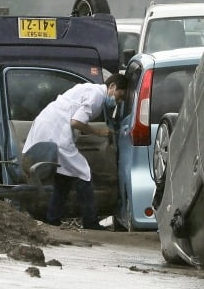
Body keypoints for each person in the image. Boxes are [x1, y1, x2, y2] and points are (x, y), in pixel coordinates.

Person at [22, 73, 128, 230]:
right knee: (83, 172)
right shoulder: (97, 95)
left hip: (49, 127)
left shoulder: (91, 89)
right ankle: (90, 222)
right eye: (120, 96)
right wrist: (99, 132)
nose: (118, 101)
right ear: (112, 86)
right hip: (56, 132)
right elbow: (76, 122)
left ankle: (53, 219)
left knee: (64, 177)